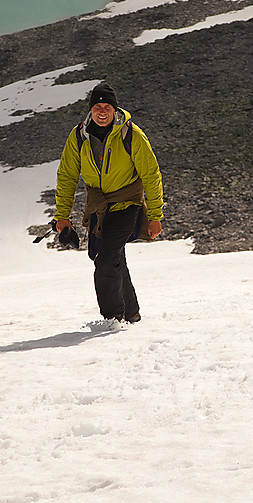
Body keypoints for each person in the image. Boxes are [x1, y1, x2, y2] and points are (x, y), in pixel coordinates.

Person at [54, 82, 164, 323]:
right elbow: (67, 176)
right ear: (91, 109)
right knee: (110, 257)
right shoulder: (79, 136)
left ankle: (112, 318)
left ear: (115, 110)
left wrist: (155, 216)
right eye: (97, 107)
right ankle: (131, 314)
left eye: (107, 107)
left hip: (128, 205)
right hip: (100, 207)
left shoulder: (131, 134)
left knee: (105, 259)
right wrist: (62, 216)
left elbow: (151, 174)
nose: (102, 112)